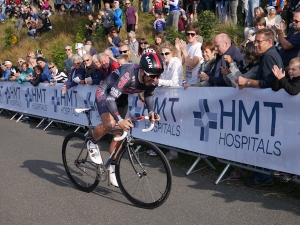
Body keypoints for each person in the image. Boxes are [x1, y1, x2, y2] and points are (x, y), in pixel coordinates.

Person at [87, 52, 163, 187]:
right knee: (110, 124)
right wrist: (119, 120)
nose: (155, 79)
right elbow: (110, 98)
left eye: (158, 76)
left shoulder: (152, 78)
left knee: (122, 132)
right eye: (152, 76)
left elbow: (149, 94)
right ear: (142, 71)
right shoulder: (129, 73)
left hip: (121, 97)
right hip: (106, 93)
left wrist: (151, 111)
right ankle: (92, 142)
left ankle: (112, 167)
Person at [237, 28, 284, 188]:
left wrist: (247, 82)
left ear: (269, 42)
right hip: (265, 108)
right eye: (255, 41)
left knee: (262, 143)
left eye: (258, 41)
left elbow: (267, 83)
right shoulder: (268, 55)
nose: (255, 44)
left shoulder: (270, 56)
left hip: (267, 109)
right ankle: (260, 176)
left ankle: (263, 178)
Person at [175, 23, 203, 88]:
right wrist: (178, 50)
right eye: (188, 34)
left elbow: (192, 65)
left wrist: (184, 50)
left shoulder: (199, 47)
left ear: (197, 35)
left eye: (192, 34)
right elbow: (180, 63)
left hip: (196, 83)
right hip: (187, 82)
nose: (190, 36)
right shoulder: (187, 46)